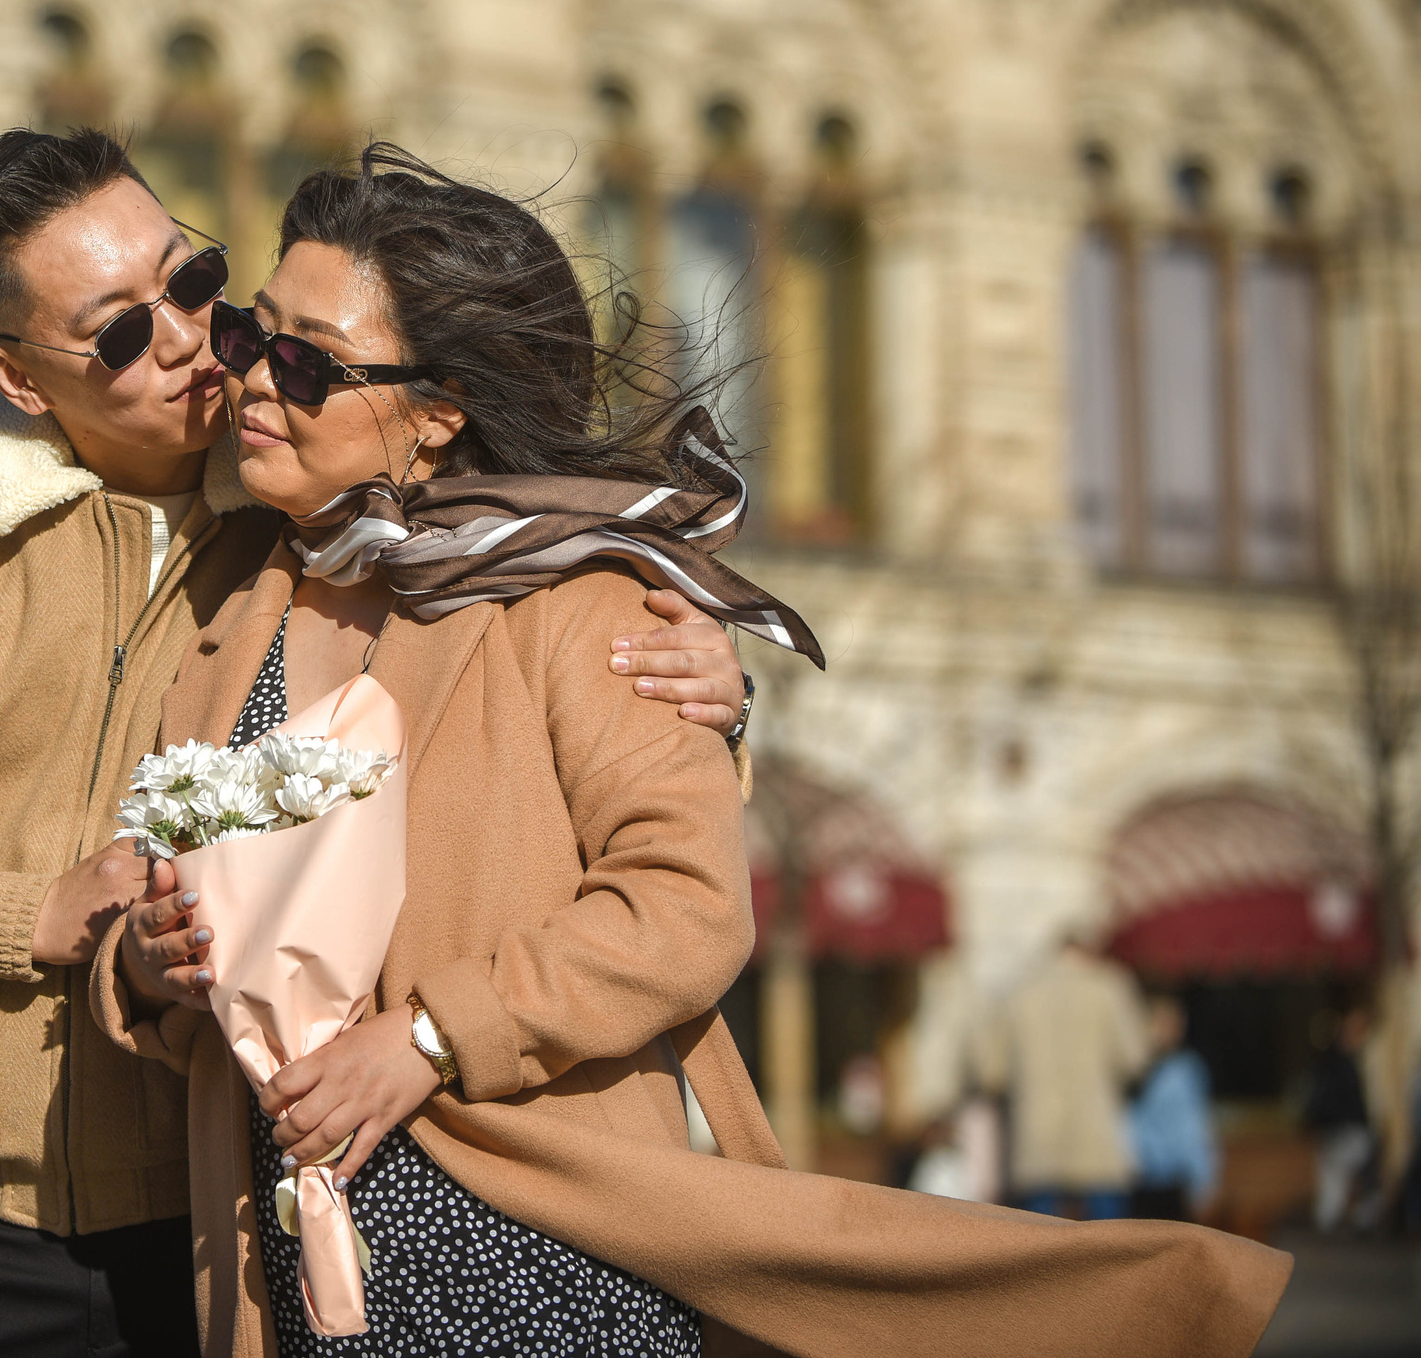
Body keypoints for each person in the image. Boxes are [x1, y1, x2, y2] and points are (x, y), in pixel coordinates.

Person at [103, 145, 1291, 1358]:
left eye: (304, 361)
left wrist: (424, 1039)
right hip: (282, 1261)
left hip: (535, 1252)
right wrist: (146, 968)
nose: (251, 377)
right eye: (255, 334)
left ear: (438, 410)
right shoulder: (227, 609)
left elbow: (683, 908)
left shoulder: (586, 607)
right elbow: (149, 906)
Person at [0, 129, 749, 1358]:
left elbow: (538, 697)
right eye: (122, 333)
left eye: (196, 287)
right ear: (19, 377)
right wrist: (31, 917)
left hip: (237, 1218)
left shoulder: (309, 526)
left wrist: (713, 694)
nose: (194, 343)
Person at [976, 921, 1151, 1219]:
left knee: (1038, 1243)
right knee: (1114, 1246)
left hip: (1038, 1135)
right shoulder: (1109, 988)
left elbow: (993, 1072)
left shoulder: (1021, 993)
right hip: (1096, 1129)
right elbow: (1135, 1059)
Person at [1127, 995, 1220, 1221]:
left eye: (1171, 1025)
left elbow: (1195, 1126)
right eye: (1158, 1023)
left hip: (1174, 1178)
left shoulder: (1184, 1070)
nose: (1164, 1031)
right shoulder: (1133, 1068)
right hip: (1136, 1178)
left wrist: (1204, 1178)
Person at [1305, 1005, 1376, 1234]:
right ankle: (1337, 1220)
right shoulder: (1341, 1062)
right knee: (1337, 1176)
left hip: (1349, 1132)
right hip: (1343, 1130)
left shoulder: (1356, 1061)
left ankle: (1339, 1219)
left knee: (1343, 1177)